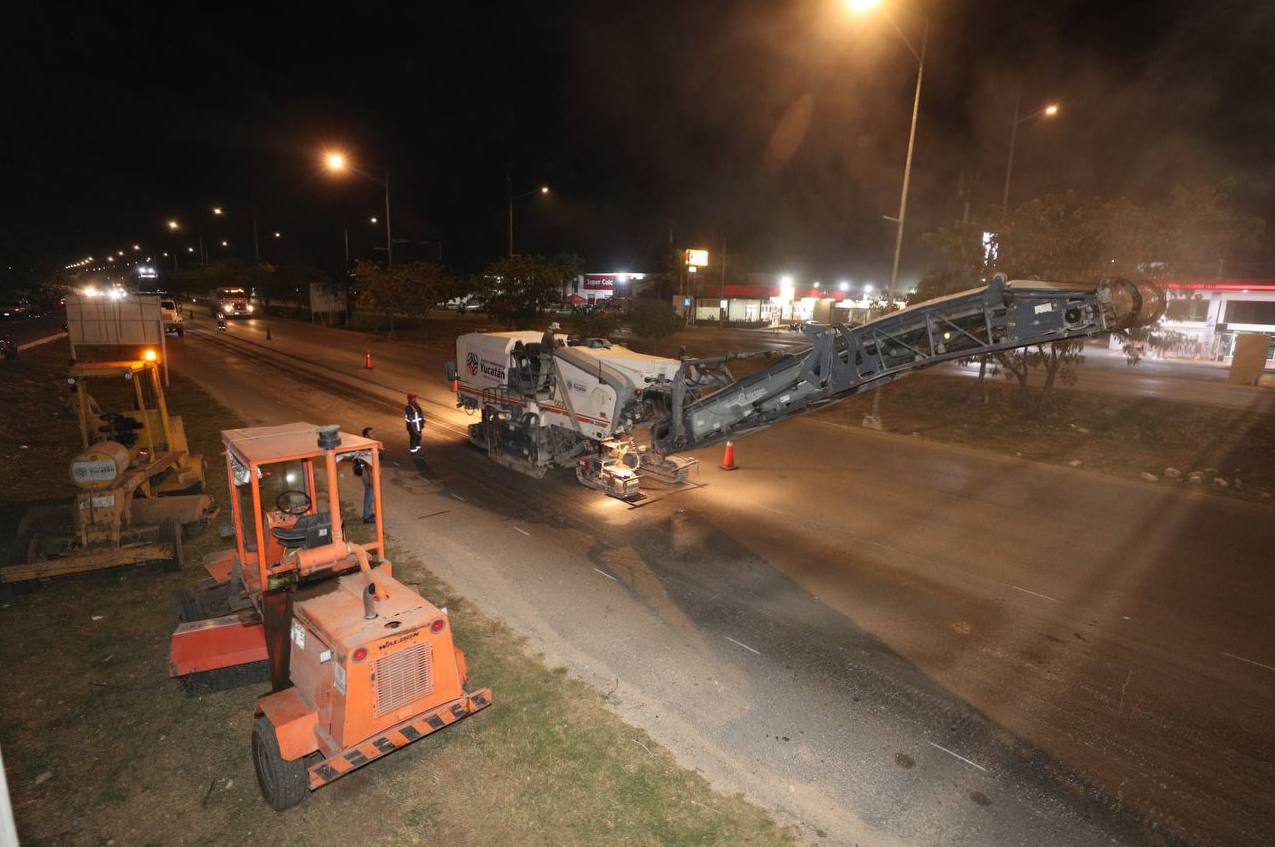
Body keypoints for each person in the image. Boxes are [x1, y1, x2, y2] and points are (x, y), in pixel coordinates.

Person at [353, 426, 377, 523]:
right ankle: (366, 516)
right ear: (366, 435)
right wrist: (371, 477)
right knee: (369, 494)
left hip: (368, 472)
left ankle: (369, 512)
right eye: (371, 433)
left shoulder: (365, 444)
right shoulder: (365, 446)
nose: (374, 435)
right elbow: (367, 463)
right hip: (367, 473)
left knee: (370, 494)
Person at [540, 321, 561, 390]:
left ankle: (552, 386)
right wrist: (558, 343)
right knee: (544, 372)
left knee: (552, 371)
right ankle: (539, 388)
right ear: (553, 328)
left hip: (548, 355)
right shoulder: (549, 335)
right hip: (546, 355)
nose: (557, 331)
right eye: (556, 329)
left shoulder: (548, 333)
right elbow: (554, 345)